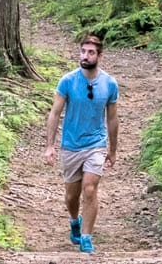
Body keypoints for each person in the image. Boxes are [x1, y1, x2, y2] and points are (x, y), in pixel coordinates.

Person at [43, 34, 119, 254]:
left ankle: (86, 236)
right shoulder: (67, 81)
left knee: (90, 189)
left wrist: (112, 150)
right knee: (71, 196)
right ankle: (74, 221)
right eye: (83, 51)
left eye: (91, 52)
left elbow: (112, 119)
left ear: (99, 56)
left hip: (96, 144)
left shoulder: (109, 83)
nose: (85, 56)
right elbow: (55, 112)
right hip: (70, 145)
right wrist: (50, 146)